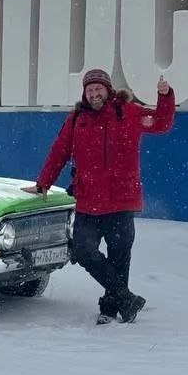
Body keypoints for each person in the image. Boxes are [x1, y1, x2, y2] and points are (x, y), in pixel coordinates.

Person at [23, 68, 175, 324]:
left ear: (108, 90)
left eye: (98, 89)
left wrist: (165, 96)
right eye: (90, 90)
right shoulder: (76, 119)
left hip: (121, 200)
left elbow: (161, 122)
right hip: (88, 201)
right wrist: (43, 184)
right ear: (85, 93)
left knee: (119, 257)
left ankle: (111, 308)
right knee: (82, 251)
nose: (94, 94)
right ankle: (126, 298)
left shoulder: (129, 112)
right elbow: (59, 152)